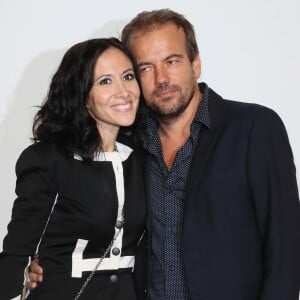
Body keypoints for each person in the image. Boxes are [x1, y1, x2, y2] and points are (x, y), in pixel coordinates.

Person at [29, 8, 300, 300]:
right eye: (145, 68)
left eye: (171, 61)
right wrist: (42, 261)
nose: (161, 78)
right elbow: (83, 218)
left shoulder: (253, 128)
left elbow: (286, 247)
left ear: (195, 64)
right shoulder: (125, 144)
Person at [0, 37, 146, 299]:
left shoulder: (142, 158)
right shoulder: (48, 160)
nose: (123, 91)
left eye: (128, 76)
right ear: (82, 95)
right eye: (105, 81)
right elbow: (18, 252)